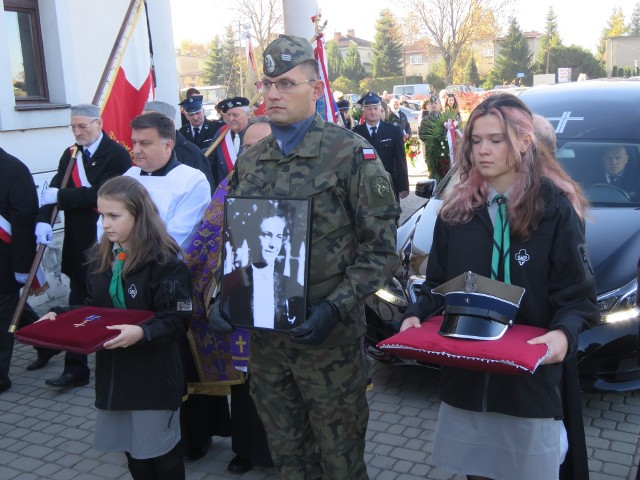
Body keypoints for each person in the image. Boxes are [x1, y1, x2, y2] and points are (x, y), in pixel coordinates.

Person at [210, 34, 400, 479]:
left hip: (327, 342)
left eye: (287, 84)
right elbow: (236, 240)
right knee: (287, 456)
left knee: (340, 460)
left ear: (316, 90)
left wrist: (335, 307)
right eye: (268, 83)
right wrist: (226, 296)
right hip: (267, 342)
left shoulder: (351, 154)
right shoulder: (251, 160)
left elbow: (381, 250)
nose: (273, 93)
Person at [400, 93, 599, 480]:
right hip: (467, 381)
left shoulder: (554, 209)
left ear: (524, 142)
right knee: (477, 473)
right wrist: (416, 313)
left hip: (529, 384)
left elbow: (578, 298)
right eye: (476, 140)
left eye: (496, 140)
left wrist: (563, 334)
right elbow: (439, 284)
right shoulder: (456, 212)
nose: (483, 151)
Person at [38, 175, 193, 479]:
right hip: (116, 373)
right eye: (102, 215)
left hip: (152, 375)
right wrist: (60, 314)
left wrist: (143, 332)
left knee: (160, 453)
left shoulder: (165, 263)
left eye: (114, 216)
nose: (106, 224)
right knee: (132, 451)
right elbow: (94, 309)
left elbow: (177, 320)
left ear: (139, 215)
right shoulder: (102, 258)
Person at [32, 103, 131, 386]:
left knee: (107, 304)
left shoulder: (117, 154)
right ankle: (75, 369)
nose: (77, 132)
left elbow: (102, 195)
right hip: (78, 242)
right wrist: (43, 220)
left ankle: (118, 362)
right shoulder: (71, 153)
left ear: (98, 124)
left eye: (82, 126)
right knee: (76, 305)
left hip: (105, 241)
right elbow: (54, 189)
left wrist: (61, 198)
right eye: (73, 127)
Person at [118, 112, 210, 250]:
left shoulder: (192, 180)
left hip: (164, 264)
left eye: (144, 143)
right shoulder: (128, 177)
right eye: (134, 142)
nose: (135, 150)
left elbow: (179, 237)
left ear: (168, 145)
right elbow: (105, 225)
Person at [221, 200, 304, 331]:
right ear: (255, 236)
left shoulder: (293, 288)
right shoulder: (235, 285)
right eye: (267, 235)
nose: (273, 244)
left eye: (278, 237)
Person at [0, 148, 39, 394]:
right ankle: (46, 342)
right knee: (14, 307)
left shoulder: (14, 169)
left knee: (3, 315)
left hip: (5, 259)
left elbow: (25, 221)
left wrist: (23, 267)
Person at [142, 100, 215, 194]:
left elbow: (205, 192)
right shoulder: (144, 152)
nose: (143, 126)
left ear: (169, 124)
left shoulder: (191, 154)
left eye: (150, 122)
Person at [353, 91, 410, 201]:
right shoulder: (356, 133)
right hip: (365, 186)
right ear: (363, 111)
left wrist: (404, 186)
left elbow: (400, 159)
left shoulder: (393, 130)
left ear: (380, 110)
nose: (373, 112)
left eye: (375, 108)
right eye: (369, 109)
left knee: (392, 217)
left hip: (389, 183)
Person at [210, 97, 251, 187]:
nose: (230, 119)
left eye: (235, 115)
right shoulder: (222, 133)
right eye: (228, 115)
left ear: (248, 115)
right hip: (225, 191)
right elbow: (209, 158)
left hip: (249, 189)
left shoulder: (256, 132)